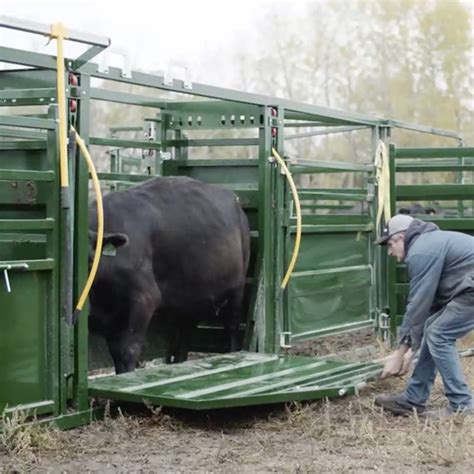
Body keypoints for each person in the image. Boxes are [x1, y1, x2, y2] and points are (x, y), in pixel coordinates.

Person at [374, 214, 474, 418]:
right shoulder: (429, 243)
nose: (390, 253)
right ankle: (413, 398)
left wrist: (398, 355)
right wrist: (413, 349)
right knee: (433, 328)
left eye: (389, 245)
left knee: (439, 334)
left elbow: (418, 304)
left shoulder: (421, 251)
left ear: (401, 238)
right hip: (468, 288)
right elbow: (431, 305)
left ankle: (462, 405)